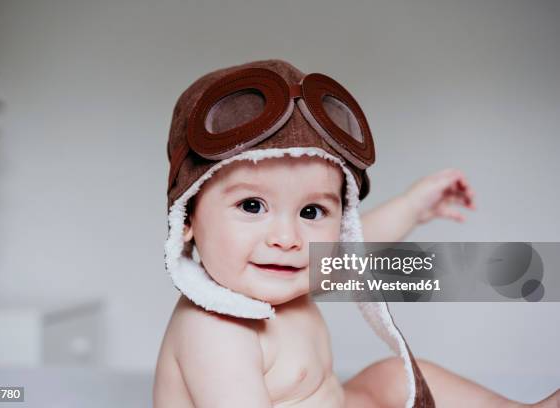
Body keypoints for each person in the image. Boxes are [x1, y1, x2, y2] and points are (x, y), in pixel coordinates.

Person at [153, 59, 558, 407]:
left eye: (311, 211)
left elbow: (355, 248)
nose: (287, 237)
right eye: (252, 206)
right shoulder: (215, 329)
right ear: (186, 217)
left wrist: (413, 207)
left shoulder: (283, 273)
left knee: (391, 377)